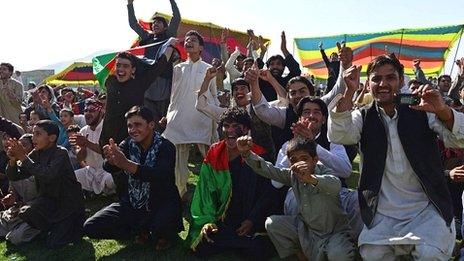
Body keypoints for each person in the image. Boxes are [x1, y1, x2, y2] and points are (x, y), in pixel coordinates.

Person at [329, 53, 464, 259]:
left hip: (426, 208)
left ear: (401, 81)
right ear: (368, 83)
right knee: (373, 254)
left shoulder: (420, 109)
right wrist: (349, 91)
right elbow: (340, 134)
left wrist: (443, 110)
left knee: (429, 255)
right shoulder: (363, 116)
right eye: (376, 79)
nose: (383, 84)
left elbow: (458, 139)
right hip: (383, 213)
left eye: (390, 78)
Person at [238, 136, 355, 261]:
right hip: (307, 230)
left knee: (339, 255)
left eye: (304, 159)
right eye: (294, 160)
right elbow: (269, 170)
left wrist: (311, 179)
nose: (299, 164)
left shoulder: (324, 171)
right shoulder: (293, 175)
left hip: (334, 233)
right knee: (272, 223)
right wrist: (247, 154)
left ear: (315, 159)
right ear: (290, 163)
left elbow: (335, 185)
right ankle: (300, 255)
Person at [84, 106, 182, 250]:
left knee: (162, 227)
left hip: (160, 202)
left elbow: (160, 175)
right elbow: (110, 167)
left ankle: (158, 233)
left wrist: (127, 164)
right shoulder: (127, 144)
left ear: (151, 125)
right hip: (132, 204)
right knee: (90, 226)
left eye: (138, 125)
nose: (132, 129)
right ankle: (137, 231)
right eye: (130, 126)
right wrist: (111, 160)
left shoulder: (166, 146)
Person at [188, 107, 278, 260]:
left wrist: (252, 219)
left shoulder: (259, 155)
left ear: (247, 129)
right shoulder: (215, 152)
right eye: (226, 126)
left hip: (249, 216)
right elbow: (205, 191)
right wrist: (208, 221)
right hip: (222, 217)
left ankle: (238, 241)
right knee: (203, 244)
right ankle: (235, 242)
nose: (230, 131)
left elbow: (267, 194)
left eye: (236, 126)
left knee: (258, 250)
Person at [273, 97, 362, 238]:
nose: (311, 116)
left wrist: (313, 144)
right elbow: (276, 183)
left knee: (358, 198)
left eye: (317, 112)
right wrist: (294, 145)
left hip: (333, 194)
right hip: (304, 195)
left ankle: (351, 241)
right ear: (300, 118)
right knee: (292, 198)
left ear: (324, 119)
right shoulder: (287, 145)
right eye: (306, 112)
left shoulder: (333, 141)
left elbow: (345, 171)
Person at [5, 120, 85, 248]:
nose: (34, 138)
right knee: (26, 212)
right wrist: (13, 161)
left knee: (54, 243)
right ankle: (51, 228)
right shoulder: (37, 153)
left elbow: (48, 175)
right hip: (49, 202)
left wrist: (23, 157)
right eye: (33, 134)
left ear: (52, 138)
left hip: (68, 205)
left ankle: (63, 228)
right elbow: (15, 176)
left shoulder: (60, 152)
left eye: (38, 134)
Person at [163, 30, 218, 197]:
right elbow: (173, 94)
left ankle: (215, 191)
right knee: (178, 160)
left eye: (193, 40)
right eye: (187, 40)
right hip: (179, 118)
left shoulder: (208, 68)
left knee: (210, 157)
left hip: (202, 117)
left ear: (201, 47)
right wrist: (168, 114)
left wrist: (215, 117)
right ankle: (180, 193)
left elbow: (213, 94)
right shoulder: (177, 68)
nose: (189, 42)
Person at [99, 43, 175, 147]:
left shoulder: (139, 84)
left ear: (133, 70)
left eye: (125, 66)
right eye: (118, 65)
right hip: (107, 139)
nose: (120, 69)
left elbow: (158, 67)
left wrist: (170, 46)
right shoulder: (110, 81)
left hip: (130, 141)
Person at [127, 0, 181, 122]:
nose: (155, 24)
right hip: (148, 83)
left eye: (159, 22)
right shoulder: (147, 38)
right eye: (154, 22)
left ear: (165, 26)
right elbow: (133, 24)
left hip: (164, 83)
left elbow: (176, 17)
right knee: (149, 120)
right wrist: (130, 4)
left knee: (164, 120)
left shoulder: (168, 36)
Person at [0, 134, 40, 245]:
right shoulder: (14, 166)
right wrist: (11, 197)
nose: (18, 148)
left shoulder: (39, 165)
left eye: (24, 145)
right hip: (19, 210)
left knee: (16, 237)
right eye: (18, 145)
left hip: (36, 209)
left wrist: (23, 207)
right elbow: (14, 192)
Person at [71, 99, 115, 195]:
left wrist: (87, 143)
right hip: (91, 171)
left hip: (107, 171)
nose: (87, 113)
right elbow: (79, 158)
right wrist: (82, 147)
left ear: (101, 111)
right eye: (86, 111)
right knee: (71, 177)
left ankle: (99, 192)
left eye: (92, 110)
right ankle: (97, 192)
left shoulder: (108, 128)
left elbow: (107, 153)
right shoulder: (83, 131)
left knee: (111, 181)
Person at [258, 31, 301, 101]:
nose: (275, 66)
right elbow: (254, 72)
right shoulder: (261, 81)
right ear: (268, 67)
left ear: (284, 67)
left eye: (278, 64)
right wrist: (262, 53)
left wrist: (284, 49)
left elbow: (296, 71)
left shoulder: (286, 82)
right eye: (272, 64)